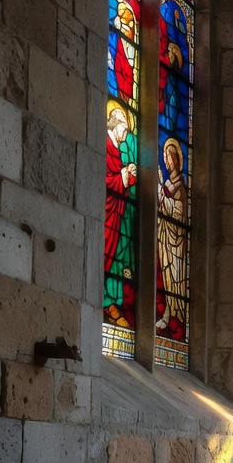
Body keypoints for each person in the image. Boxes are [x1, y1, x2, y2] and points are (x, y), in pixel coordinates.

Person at [104, 104, 138, 327]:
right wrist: (124, 175)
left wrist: (128, 176)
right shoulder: (105, 146)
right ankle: (106, 302)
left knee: (117, 255)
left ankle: (114, 301)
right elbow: (105, 182)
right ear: (114, 126)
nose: (125, 135)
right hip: (107, 214)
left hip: (117, 211)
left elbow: (118, 183)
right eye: (124, 130)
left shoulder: (116, 149)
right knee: (108, 253)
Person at [156, 138, 189, 336]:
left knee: (175, 277)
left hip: (176, 241)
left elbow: (178, 214)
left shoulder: (181, 187)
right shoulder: (169, 183)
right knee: (167, 278)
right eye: (165, 157)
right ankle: (169, 311)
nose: (167, 161)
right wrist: (162, 187)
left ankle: (177, 312)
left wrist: (162, 192)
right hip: (165, 237)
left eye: (169, 157)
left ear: (176, 160)